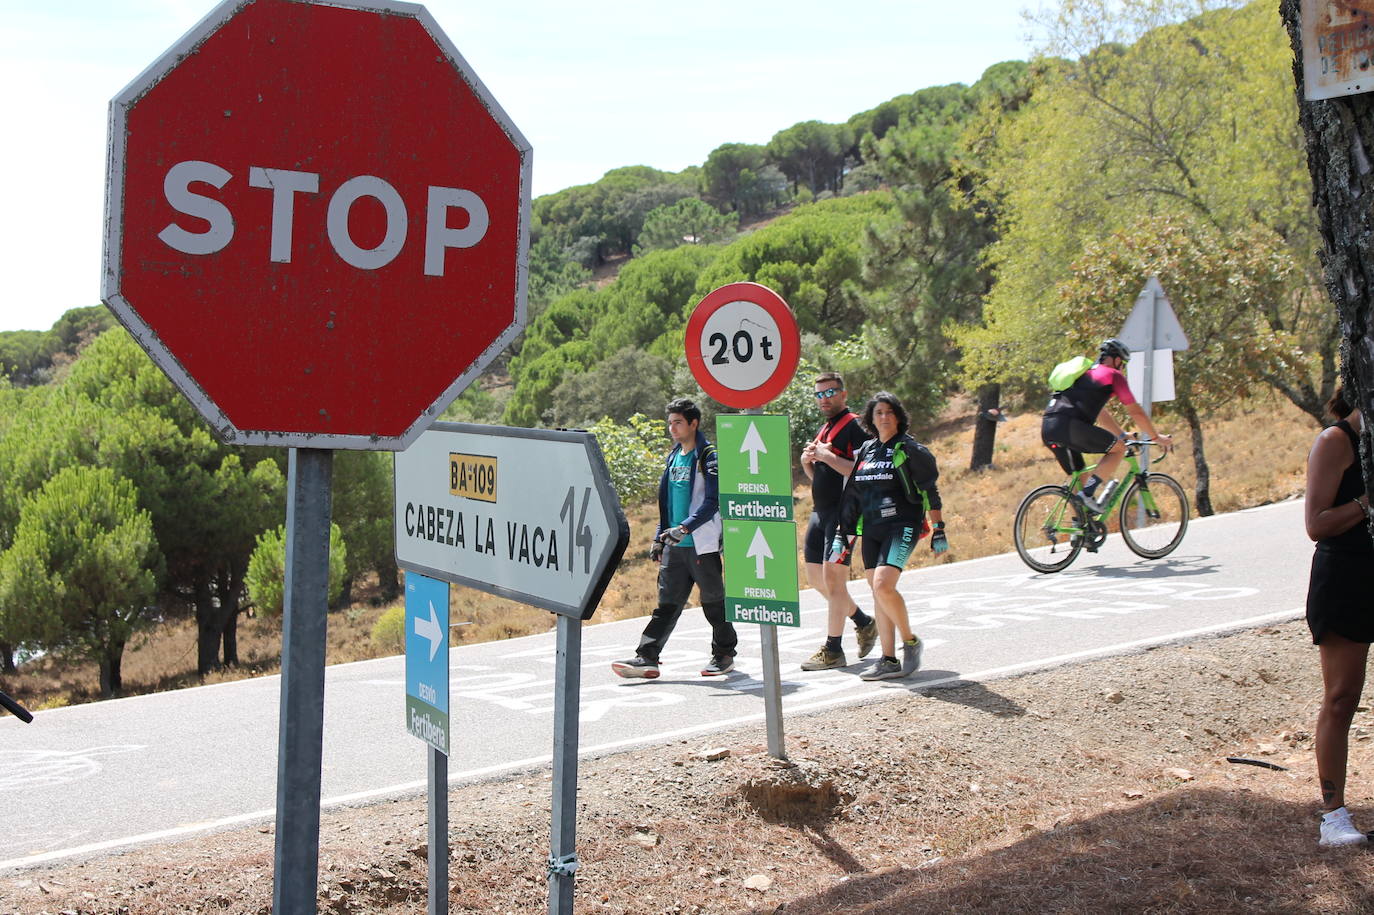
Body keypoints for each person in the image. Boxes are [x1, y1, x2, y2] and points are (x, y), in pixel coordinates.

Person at [613, 398, 738, 680]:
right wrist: (660, 537)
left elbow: (713, 502)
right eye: (670, 422)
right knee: (666, 605)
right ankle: (647, 657)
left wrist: (685, 528)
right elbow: (666, 502)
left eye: (678, 422)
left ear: (693, 423)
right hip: (674, 546)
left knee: (714, 603)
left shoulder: (708, 456)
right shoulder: (674, 456)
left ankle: (724, 653)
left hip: (701, 544)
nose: (672, 428)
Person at [830, 392, 948, 680]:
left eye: (889, 412)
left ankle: (910, 642)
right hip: (871, 529)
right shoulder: (868, 451)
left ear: (898, 417)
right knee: (877, 592)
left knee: (883, 585)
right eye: (878, 412)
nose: (884, 417)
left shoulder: (908, 449)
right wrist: (842, 533)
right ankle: (888, 659)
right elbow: (853, 495)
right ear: (871, 418)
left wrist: (939, 528)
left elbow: (929, 489)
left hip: (901, 525)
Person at [1304, 387, 1373, 846]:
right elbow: (1316, 523)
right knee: (1342, 697)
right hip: (1347, 578)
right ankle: (1334, 818)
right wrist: (1368, 502)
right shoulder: (1336, 440)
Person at [798, 372, 877, 671]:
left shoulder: (855, 426)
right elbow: (823, 478)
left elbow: (862, 471)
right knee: (817, 580)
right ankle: (863, 622)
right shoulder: (825, 428)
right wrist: (810, 462)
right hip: (821, 513)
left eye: (830, 392)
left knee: (834, 580)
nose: (824, 398)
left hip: (846, 514)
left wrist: (826, 457)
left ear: (843, 394)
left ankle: (833, 649)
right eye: (819, 394)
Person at [1041, 338, 1174, 514]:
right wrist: (1156, 437)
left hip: (1049, 426)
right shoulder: (1114, 375)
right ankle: (1088, 493)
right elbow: (1136, 412)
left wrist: (1121, 434)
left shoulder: (1084, 375)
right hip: (1070, 426)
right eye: (1123, 364)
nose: (1123, 368)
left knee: (1079, 476)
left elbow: (1101, 413)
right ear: (1118, 360)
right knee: (1118, 449)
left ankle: (1080, 528)